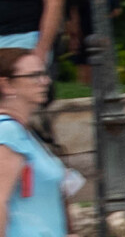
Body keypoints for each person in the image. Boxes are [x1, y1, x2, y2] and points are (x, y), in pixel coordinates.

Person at [0, 48, 71, 237]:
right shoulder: (7, 133)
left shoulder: (23, 132)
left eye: (44, 74)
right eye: (35, 76)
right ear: (7, 85)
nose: (45, 81)